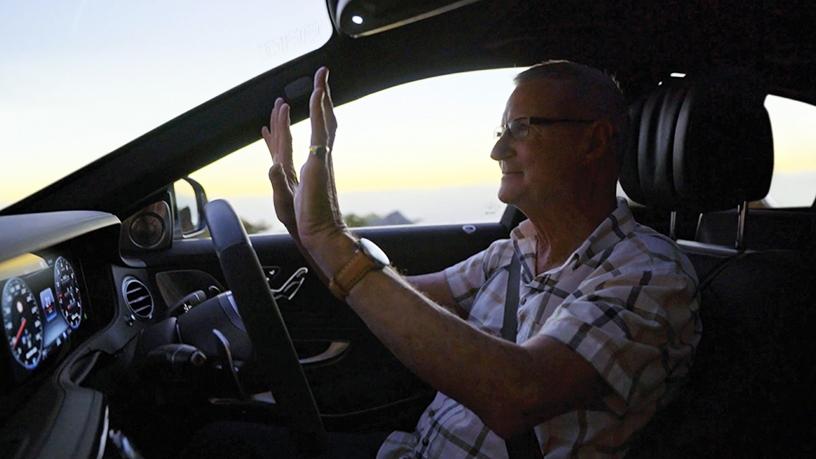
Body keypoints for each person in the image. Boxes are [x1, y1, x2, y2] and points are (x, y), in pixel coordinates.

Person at [261, 61, 700, 458]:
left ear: (593, 141)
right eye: (501, 131)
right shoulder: (513, 251)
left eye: (522, 128)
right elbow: (392, 300)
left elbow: (519, 393)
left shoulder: (650, 275)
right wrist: (304, 230)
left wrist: (330, 236)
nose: (498, 151)